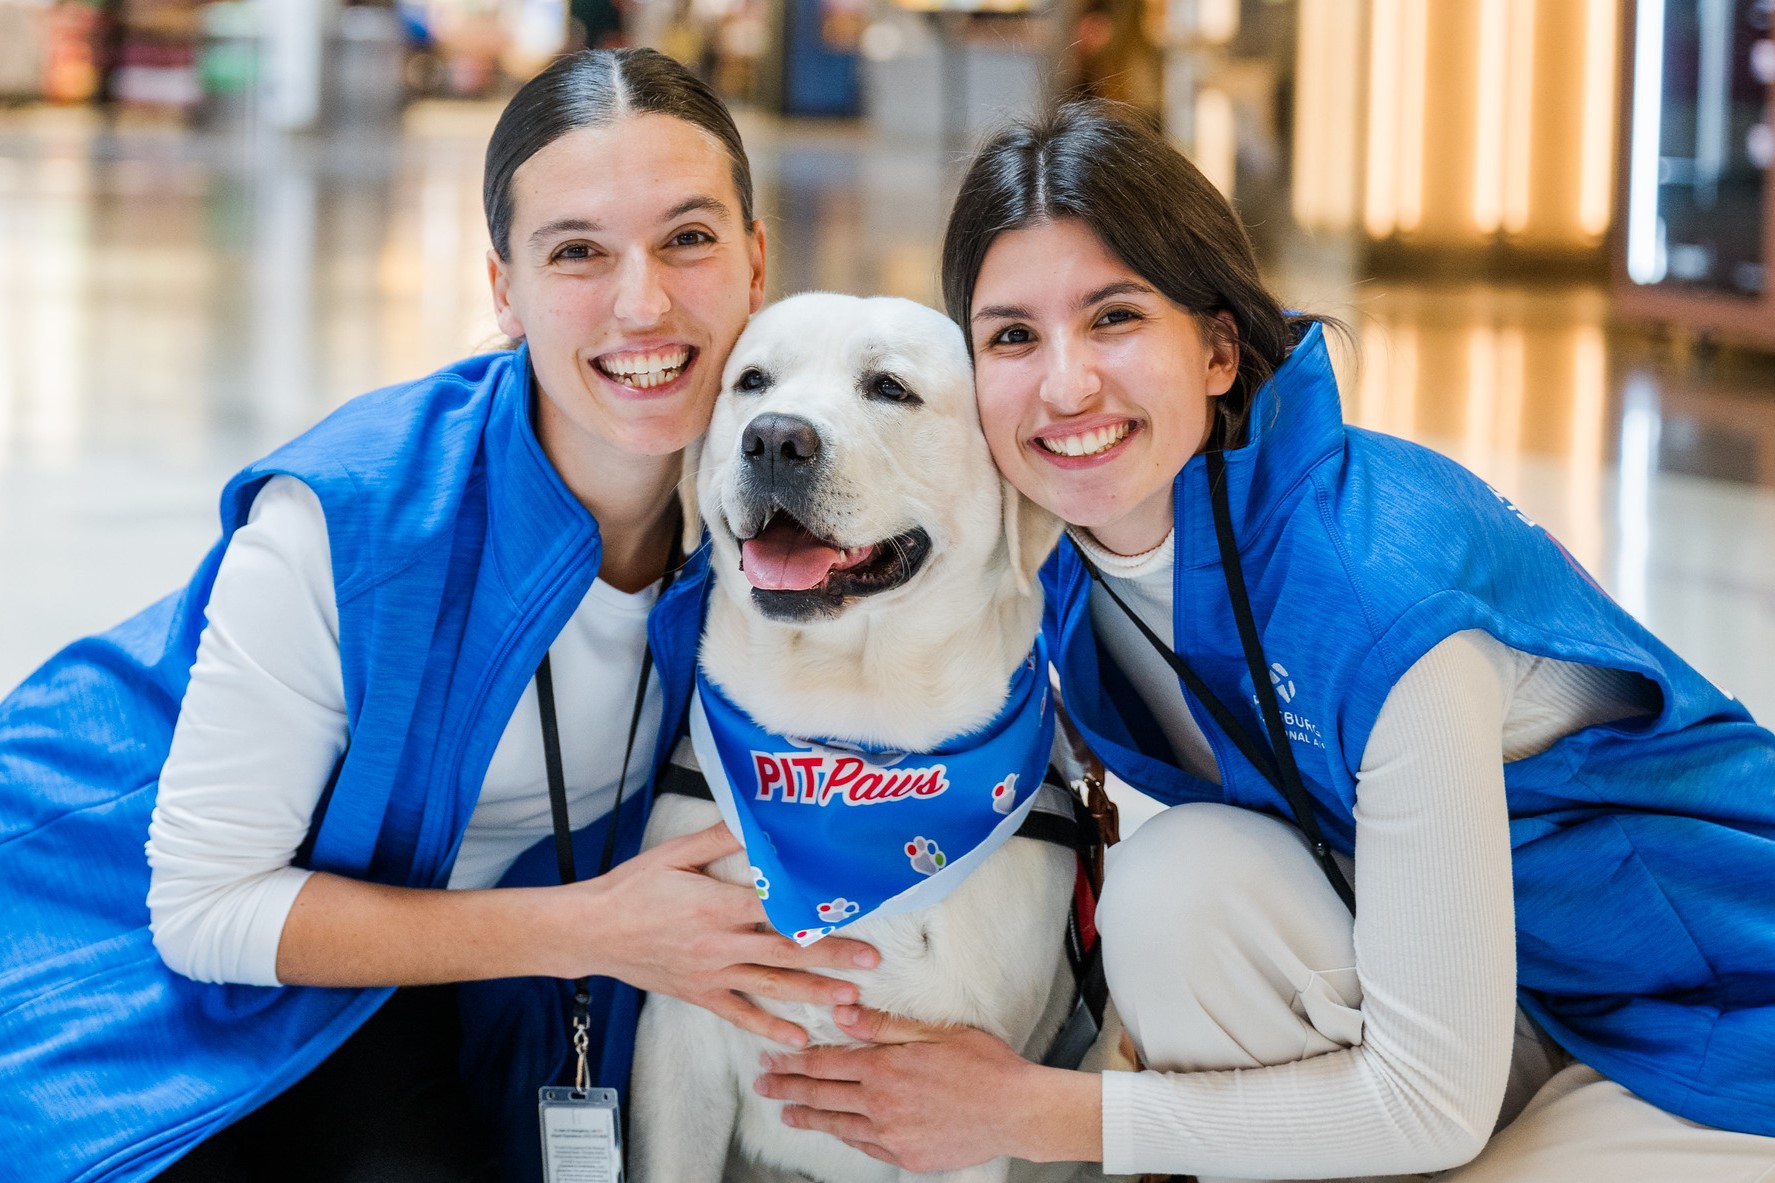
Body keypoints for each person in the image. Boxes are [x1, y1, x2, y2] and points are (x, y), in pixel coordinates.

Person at [753, 100, 1775, 1182]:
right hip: (1504, 986)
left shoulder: (1378, 592)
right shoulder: (1052, 552)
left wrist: (1031, 1113)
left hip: (1713, 1014)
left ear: (1215, 348)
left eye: (1113, 318)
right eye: (1012, 335)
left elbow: (1430, 1100)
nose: (1064, 384)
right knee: (1179, 888)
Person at [0, 48, 879, 1183]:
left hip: (438, 963)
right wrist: (590, 927)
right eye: (576, 251)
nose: (643, 302)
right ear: (503, 289)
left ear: (755, 261)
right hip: (126, 931)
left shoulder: (793, 508)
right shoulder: (357, 519)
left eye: (688, 238)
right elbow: (206, 908)